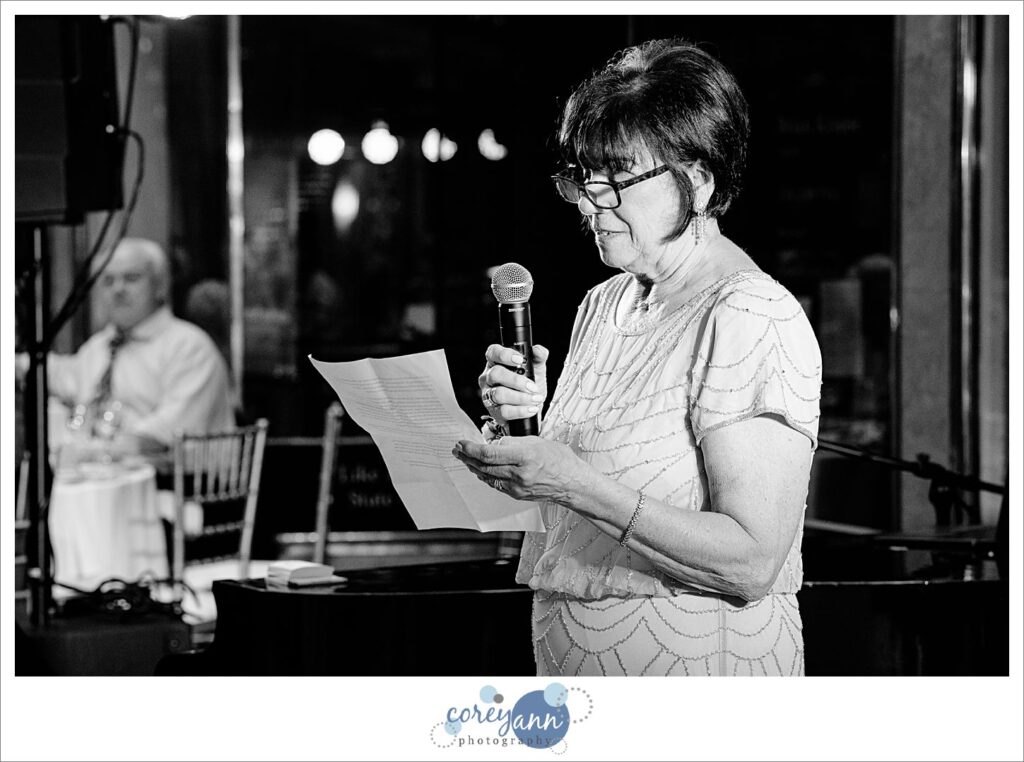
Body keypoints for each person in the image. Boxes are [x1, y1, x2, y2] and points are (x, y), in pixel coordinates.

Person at [454, 39, 822, 676]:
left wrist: (568, 478)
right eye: (582, 178)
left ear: (698, 182)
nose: (590, 203)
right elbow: (584, 494)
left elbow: (751, 559)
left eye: (618, 178)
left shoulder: (749, 315)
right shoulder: (606, 302)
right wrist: (526, 428)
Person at [43, 237, 235, 460]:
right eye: (108, 281)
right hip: (105, 480)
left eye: (131, 278)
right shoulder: (99, 347)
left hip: (177, 487)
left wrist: (99, 450)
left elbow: (163, 437)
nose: (118, 289)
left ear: (160, 285)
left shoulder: (189, 347)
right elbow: (61, 374)